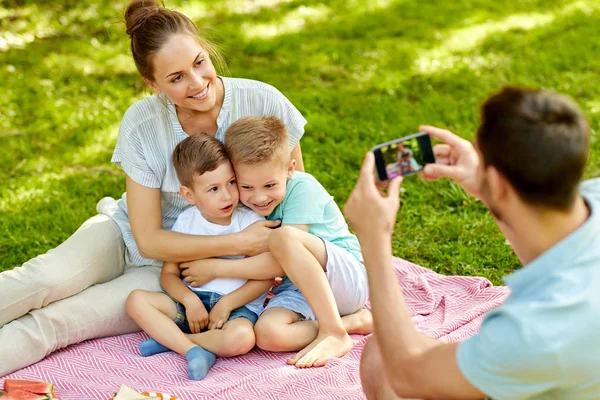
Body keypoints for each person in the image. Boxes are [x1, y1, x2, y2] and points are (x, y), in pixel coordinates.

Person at [0, 0, 306, 375]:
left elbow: (296, 204)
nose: (197, 83)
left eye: (199, 63)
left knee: (59, 322)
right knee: (41, 279)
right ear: (152, 84)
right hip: (126, 234)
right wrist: (238, 244)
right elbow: (148, 240)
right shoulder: (142, 122)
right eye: (176, 78)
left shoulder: (263, 101)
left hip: (171, 277)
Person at [344, 87, 600, 399]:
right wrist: (483, 185)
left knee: (381, 357)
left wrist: (374, 241)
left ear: (499, 183)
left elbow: (406, 372)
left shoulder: (536, 330)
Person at [181, 116, 372, 368]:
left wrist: (215, 268)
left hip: (344, 276)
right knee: (268, 335)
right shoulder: (244, 203)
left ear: (290, 169)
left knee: (282, 237)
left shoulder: (303, 187)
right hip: (300, 287)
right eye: (246, 186)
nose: (259, 197)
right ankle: (351, 323)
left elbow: (278, 263)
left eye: (270, 185)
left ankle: (333, 332)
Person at [125, 134, 272, 380]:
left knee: (242, 339)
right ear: (189, 195)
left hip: (237, 309)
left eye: (231, 182)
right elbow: (169, 275)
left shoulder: (251, 222)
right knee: (136, 300)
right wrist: (189, 300)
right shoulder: (186, 222)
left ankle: (174, 341)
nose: (226, 195)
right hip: (191, 305)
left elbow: (265, 277)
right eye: (213, 189)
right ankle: (193, 350)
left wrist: (227, 304)